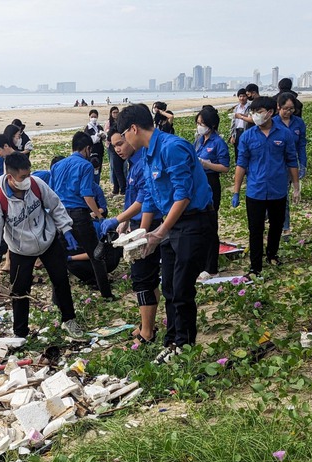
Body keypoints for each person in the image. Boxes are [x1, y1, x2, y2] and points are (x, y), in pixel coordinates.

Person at [116, 104, 213, 365]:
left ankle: (185, 345)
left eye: (123, 135)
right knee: (169, 284)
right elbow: (149, 196)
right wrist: (143, 234)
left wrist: (162, 230)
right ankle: (172, 341)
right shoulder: (147, 154)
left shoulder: (172, 147)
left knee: (182, 286)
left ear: (133, 129)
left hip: (192, 222)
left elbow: (184, 194)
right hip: (171, 225)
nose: (123, 142)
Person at [0, 152, 84, 338]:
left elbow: (55, 205)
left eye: (28, 174)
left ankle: (69, 320)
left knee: (61, 281)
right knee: (19, 292)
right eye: (22, 177)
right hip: (20, 249)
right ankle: (20, 333)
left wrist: (66, 228)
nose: (27, 180)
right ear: (10, 177)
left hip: (47, 240)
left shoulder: (36, 184)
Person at [101, 127, 164, 348]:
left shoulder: (142, 162)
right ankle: (147, 324)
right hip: (138, 223)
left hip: (149, 224)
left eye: (121, 143)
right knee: (146, 276)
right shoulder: (133, 163)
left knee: (142, 278)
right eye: (114, 145)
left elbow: (146, 200)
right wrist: (126, 221)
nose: (118, 149)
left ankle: (147, 332)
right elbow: (133, 198)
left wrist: (131, 226)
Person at [232, 96, 300, 277]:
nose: (255, 115)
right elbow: (241, 164)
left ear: (270, 113)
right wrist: (236, 190)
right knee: (255, 229)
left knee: (277, 225)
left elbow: (292, 161)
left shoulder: (284, 134)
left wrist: (296, 186)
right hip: (255, 190)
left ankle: (272, 254)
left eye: (258, 112)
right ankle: (255, 266)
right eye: (253, 112)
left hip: (278, 189)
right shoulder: (247, 136)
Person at [50, 132, 114, 299]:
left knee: (59, 259)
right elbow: (87, 195)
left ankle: (56, 299)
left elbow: (50, 193)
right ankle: (106, 294)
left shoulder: (57, 166)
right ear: (87, 148)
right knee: (95, 255)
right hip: (78, 215)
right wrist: (100, 218)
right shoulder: (85, 166)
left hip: (59, 215)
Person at [194, 106, 231, 278]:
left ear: (211, 125)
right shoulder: (199, 140)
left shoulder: (218, 143)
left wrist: (207, 164)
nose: (199, 126)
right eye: (198, 123)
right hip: (199, 182)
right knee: (200, 222)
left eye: (202, 123)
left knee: (210, 224)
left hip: (211, 182)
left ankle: (212, 267)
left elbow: (225, 167)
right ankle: (201, 263)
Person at [273, 92, 307, 239]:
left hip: (291, 164)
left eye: (291, 109)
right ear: (278, 107)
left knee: (285, 196)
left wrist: (303, 163)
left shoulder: (298, 123)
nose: (288, 112)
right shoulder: (272, 122)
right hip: (275, 165)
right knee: (276, 196)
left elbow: (301, 145)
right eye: (285, 108)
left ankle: (285, 227)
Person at [105, 106, 126, 195]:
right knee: (115, 168)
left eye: (117, 112)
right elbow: (107, 134)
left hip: (121, 146)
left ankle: (123, 187)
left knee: (122, 168)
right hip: (111, 147)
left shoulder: (121, 122)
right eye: (114, 112)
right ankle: (117, 187)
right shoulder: (109, 123)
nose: (115, 114)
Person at [84, 109, 107, 184]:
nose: (93, 118)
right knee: (91, 169)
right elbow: (90, 140)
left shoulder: (99, 127)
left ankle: (97, 184)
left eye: (95, 116)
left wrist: (103, 136)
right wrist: (97, 136)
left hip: (99, 151)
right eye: (92, 116)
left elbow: (105, 138)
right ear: (89, 117)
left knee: (98, 169)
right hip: (91, 152)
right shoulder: (87, 128)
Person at [229, 88, 253, 159]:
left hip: (246, 131)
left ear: (247, 97)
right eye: (240, 96)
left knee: (246, 150)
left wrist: (241, 116)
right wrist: (232, 135)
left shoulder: (250, 108)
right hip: (237, 132)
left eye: (244, 96)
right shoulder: (236, 108)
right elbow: (233, 122)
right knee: (237, 151)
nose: (242, 98)